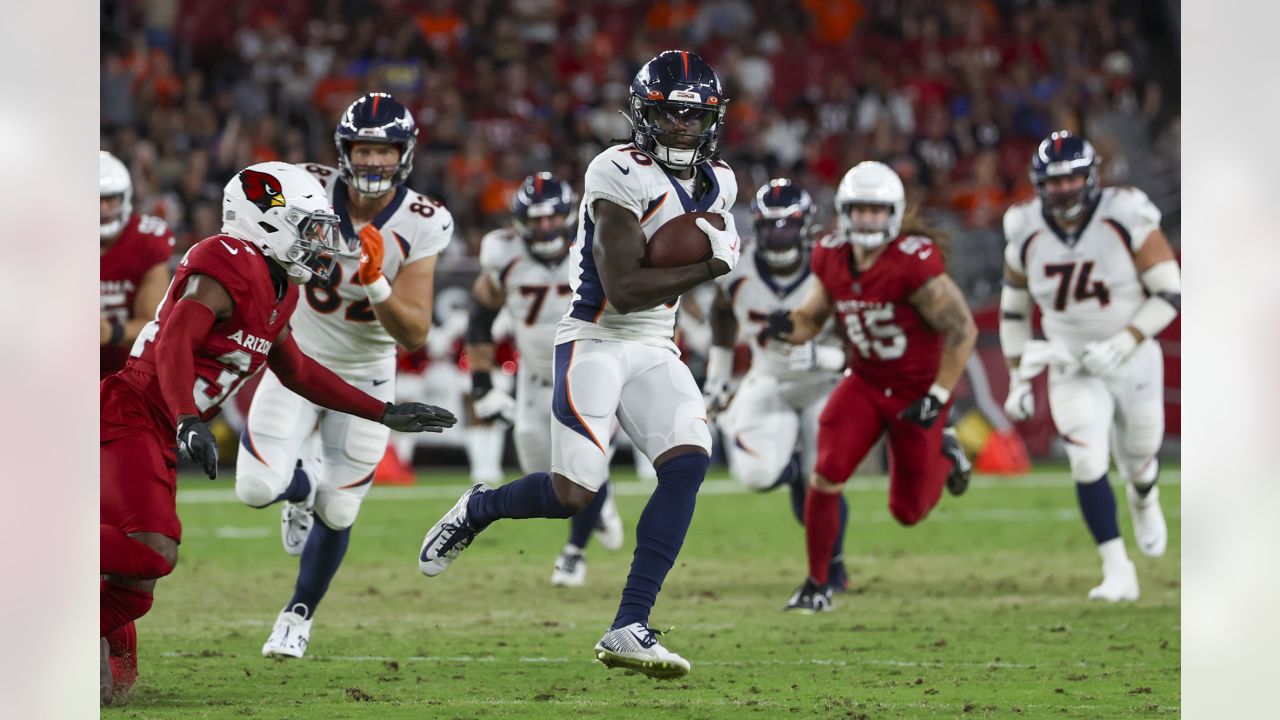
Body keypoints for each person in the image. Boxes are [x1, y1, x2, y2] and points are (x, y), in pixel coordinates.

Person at [418, 50, 740, 679]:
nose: (683, 127)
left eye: (695, 116)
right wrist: (710, 264)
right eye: (671, 114)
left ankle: (629, 625)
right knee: (573, 493)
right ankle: (479, 507)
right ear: (645, 114)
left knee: (688, 463)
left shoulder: (721, 180)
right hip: (594, 338)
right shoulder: (615, 169)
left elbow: (680, 287)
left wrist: (710, 275)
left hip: (656, 343)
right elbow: (622, 287)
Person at [100, 161, 456, 704]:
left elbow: (300, 372)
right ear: (266, 222)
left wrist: (382, 411)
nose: (318, 242)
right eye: (307, 227)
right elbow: (175, 339)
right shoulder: (227, 258)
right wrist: (187, 417)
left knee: (137, 586)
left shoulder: (279, 287)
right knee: (152, 552)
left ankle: (98, 673)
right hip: (136, 413)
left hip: (158, 422)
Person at [233, 93, 455, 658]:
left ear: (403, 155)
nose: (374, 161)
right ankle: (297, 488)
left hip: (366, 372)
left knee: (341, 509)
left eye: (385, 150)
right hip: (297, 359)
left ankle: (297, 615)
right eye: (364, 148)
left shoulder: (424, 221)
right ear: (343, 152)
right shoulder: (304, 187)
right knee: (256, 487)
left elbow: (414, 334)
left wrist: (377, 281)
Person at [762, 161, 976, 613]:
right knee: (825, 473)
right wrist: (787, 326)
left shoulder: (912, 263)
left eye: (877, 212)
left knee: (907, 512)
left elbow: (962, 331)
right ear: (844, 211)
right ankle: (817, 584)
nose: (868, 220)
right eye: (860, 210)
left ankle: (947, 451)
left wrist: (937, 399)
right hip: (864, 380)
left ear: (894, 214)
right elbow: (812, 318)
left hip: (915, 393)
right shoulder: (832, 255)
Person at [999, 131, 1178, 601]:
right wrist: (1019, 377)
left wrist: (1125, 340)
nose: (1064, 189)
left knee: (1140, 458)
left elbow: (1170, 292)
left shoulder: (1125, 213)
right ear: (1039, 185)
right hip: (1071, 362)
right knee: (1086, 459)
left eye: (1073, 178)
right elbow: (1014, 311)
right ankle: (1118, 569)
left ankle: (1144, 496)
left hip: (1133, 357)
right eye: (1054, 182)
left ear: (1092, 176)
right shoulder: (1024, 227)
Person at [466, 172, 624, 588]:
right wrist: (481, 382)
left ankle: (574, 553)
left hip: (591, 372)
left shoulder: (595, 248)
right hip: (535, 378)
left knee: (583, 465)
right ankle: (600, 499)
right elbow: (480, 316)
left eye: (553, 218)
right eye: (537, 220)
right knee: (546, 475)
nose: (546, 227)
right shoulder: (503, 254)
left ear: (569, 216)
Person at [704, 178, 850, 590]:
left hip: (825, 382)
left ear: (806, 226)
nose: (779, 234)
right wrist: (718, 375)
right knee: (754, 474)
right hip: (768, 377)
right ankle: (791, 471)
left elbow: (859, 339)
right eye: (771, 225)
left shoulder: (830, 266)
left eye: (789, 224)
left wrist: (824, 355)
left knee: (826, 482)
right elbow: (723, 314)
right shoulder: (739, 265)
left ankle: (834, 567)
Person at [100, 150, 174, 378]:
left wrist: (111, 332)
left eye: (110, 199)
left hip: (126, 373)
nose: (103, 209)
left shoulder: (145, 242)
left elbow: (154, 323)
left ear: (125, 198)